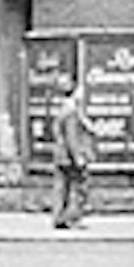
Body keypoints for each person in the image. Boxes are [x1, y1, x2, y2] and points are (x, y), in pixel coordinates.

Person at [49, 74, 96, 229]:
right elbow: (72, 137)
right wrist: (78, 157)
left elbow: (57, 132)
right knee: (78, 187)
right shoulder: (71, 111)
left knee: (61, 187)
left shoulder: (62, 109)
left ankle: (59, 217)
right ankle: (73, 218)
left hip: (61, 155)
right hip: (69, 156)